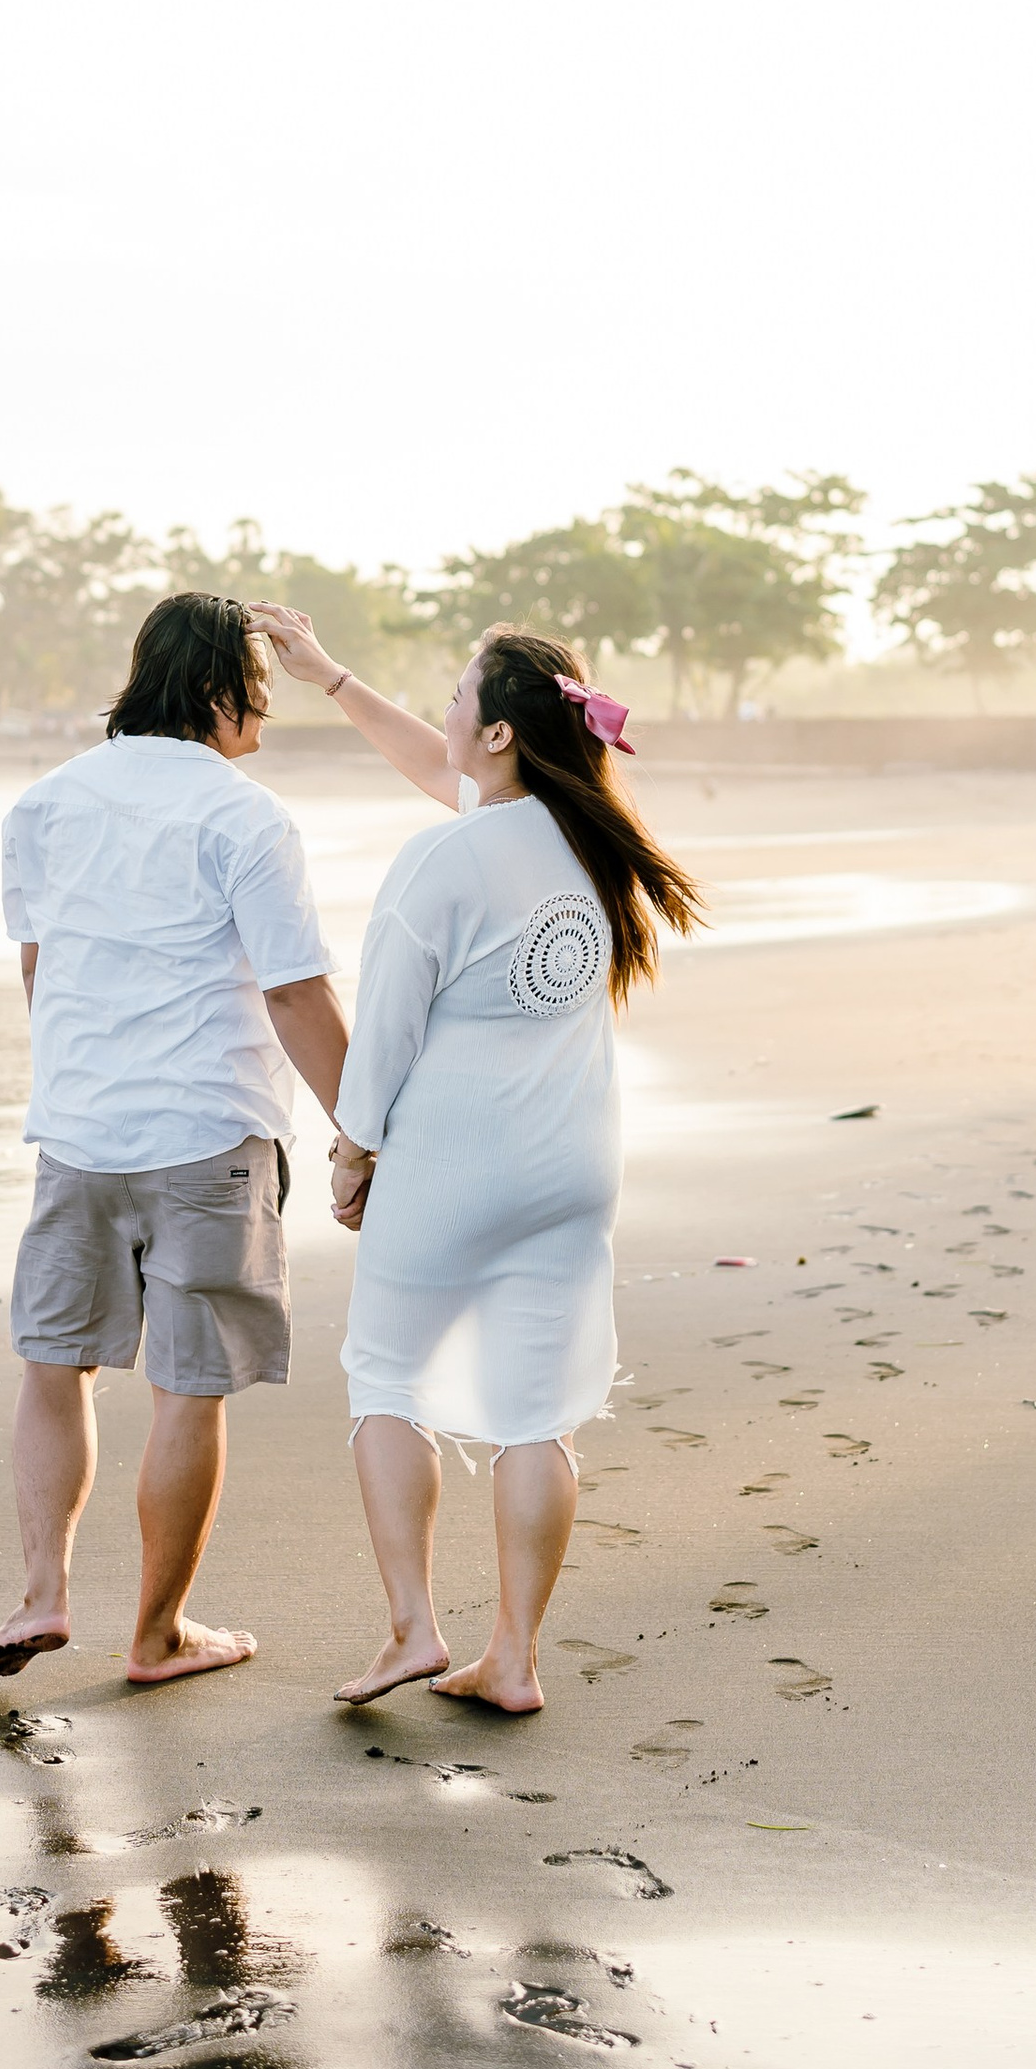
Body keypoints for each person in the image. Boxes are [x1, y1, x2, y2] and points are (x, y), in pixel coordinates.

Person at [250, 604, 702, 1714]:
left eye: (459, 695)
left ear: (498, 733)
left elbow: (389, 1034)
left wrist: (355, 1155)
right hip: (571, 1163)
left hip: (455, 1164)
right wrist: (333, 679)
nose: (445, 710)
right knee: (533, 1415)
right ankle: (513, 1659)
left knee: (385, 1379)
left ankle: (412, 1631)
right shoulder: (591, 840)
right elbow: (439, 769)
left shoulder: (443, 860)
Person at [0, 592, 349, 1686]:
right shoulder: (247, 818)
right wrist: (366, 1130)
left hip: (77, 1133)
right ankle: (157, 1636)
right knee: (188, 1385)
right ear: (221, 695)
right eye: (259, 703)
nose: (261, 730)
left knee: (53, 1366)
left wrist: (87, 1088)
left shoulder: (43, 805)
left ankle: (43, 1596)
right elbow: (297, 995)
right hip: (205, 1132)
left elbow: (39, 971)